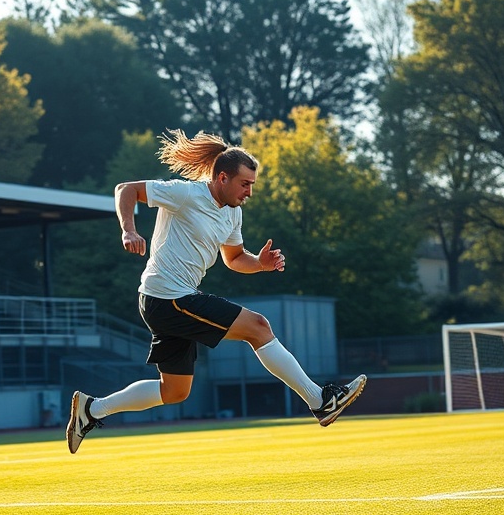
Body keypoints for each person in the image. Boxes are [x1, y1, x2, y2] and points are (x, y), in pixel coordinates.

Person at [66, 129, 367, 454]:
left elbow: (235, 258)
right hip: (168, 297)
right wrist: (129, 231)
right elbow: (125, 189)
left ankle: (92, 409)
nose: (249, 192)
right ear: (222, 178)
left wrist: (260, 264)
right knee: (258, 327)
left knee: (175, 392)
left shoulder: (233, 213)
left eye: (252, 184)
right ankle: (320, 400)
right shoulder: (185, 194)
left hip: (170, 301)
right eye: (244, 184)